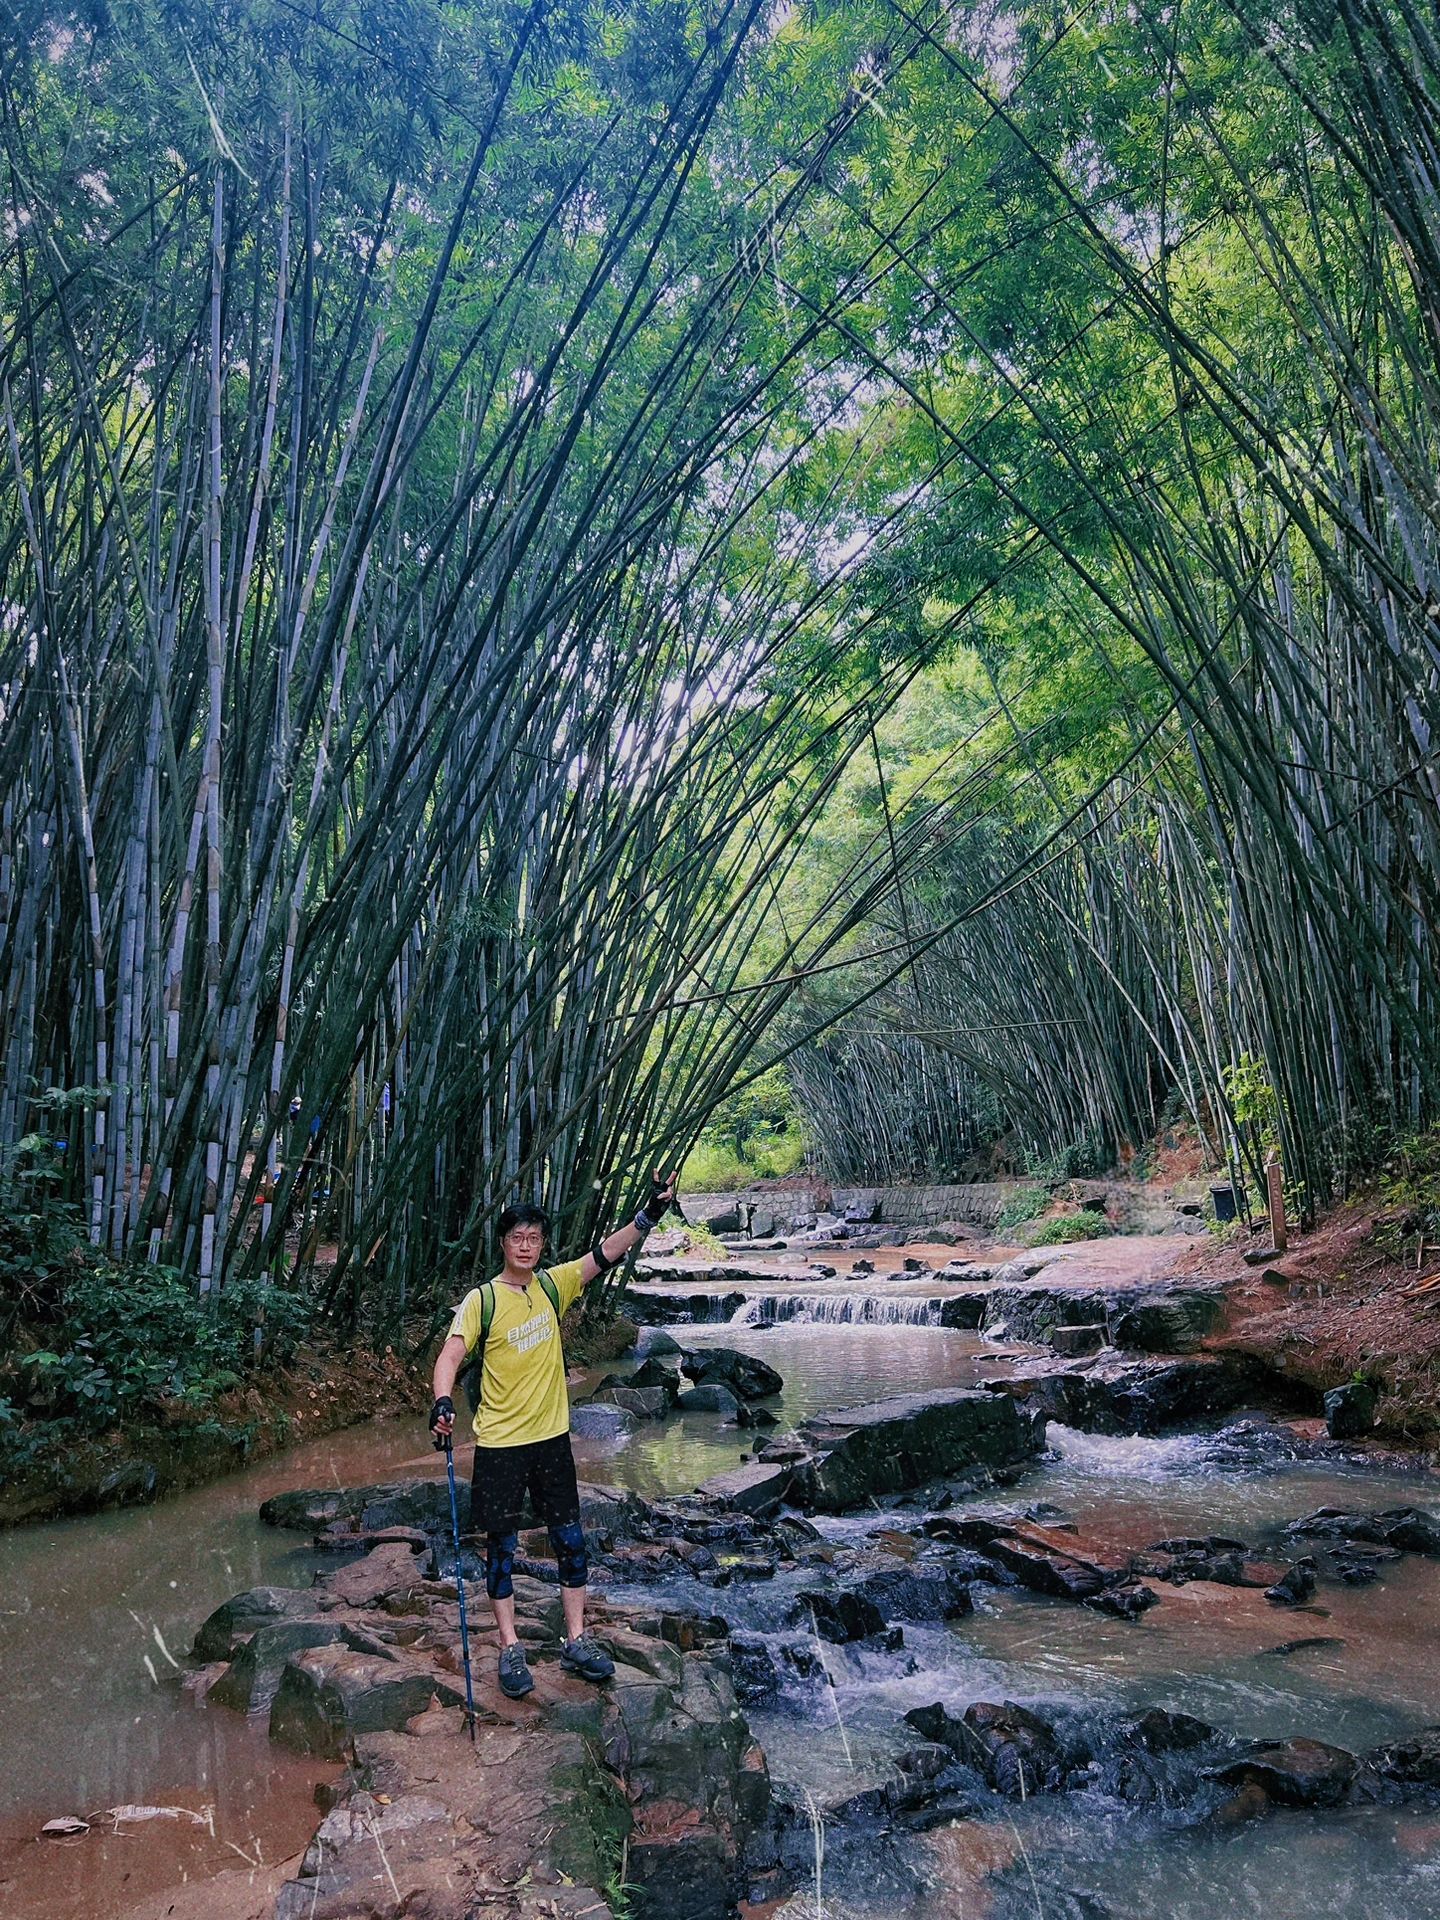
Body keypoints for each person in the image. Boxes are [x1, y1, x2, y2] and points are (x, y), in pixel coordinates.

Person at [428, 1170, 678, 1700]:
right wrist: (442, 1400)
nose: (525, 1245)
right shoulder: (482, 1300)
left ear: (542, 1244)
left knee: (570, 1540)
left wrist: (650, 1213)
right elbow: (450, 1354)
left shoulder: (550, 1285)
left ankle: (577, 1638)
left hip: (551, 1439)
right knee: (502, 1547)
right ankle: (510, 1644)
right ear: (503, 1242)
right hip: (499, 1444)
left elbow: (604, 1254)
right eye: (517, 1237)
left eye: (534, 1237)